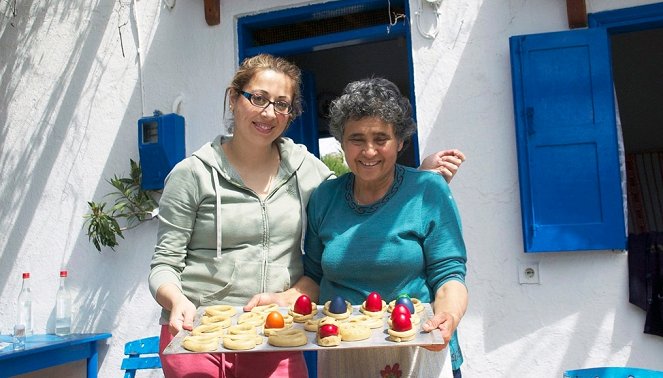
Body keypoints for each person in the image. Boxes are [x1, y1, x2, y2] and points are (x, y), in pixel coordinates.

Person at [149, 54, 465, 377]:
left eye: (282, 104)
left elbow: (444, 270)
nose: (269, 112)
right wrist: (177, 300)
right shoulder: (196, 175)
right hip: (206, 334)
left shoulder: (305, 169)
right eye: (258, 98)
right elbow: (165, 264)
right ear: (234, 98)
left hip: (307, 339)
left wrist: (420, 182)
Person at [250, 77, 468, 378]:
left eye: (381, 139)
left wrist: (449, 315)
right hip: (342, 351)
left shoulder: (427, 190)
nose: (368, 151)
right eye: (356, 139)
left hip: (417, 345)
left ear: (400, 142)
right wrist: (284, 299)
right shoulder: (325, 198)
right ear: (341, 142)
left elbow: (449, 274)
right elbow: (314, 277)